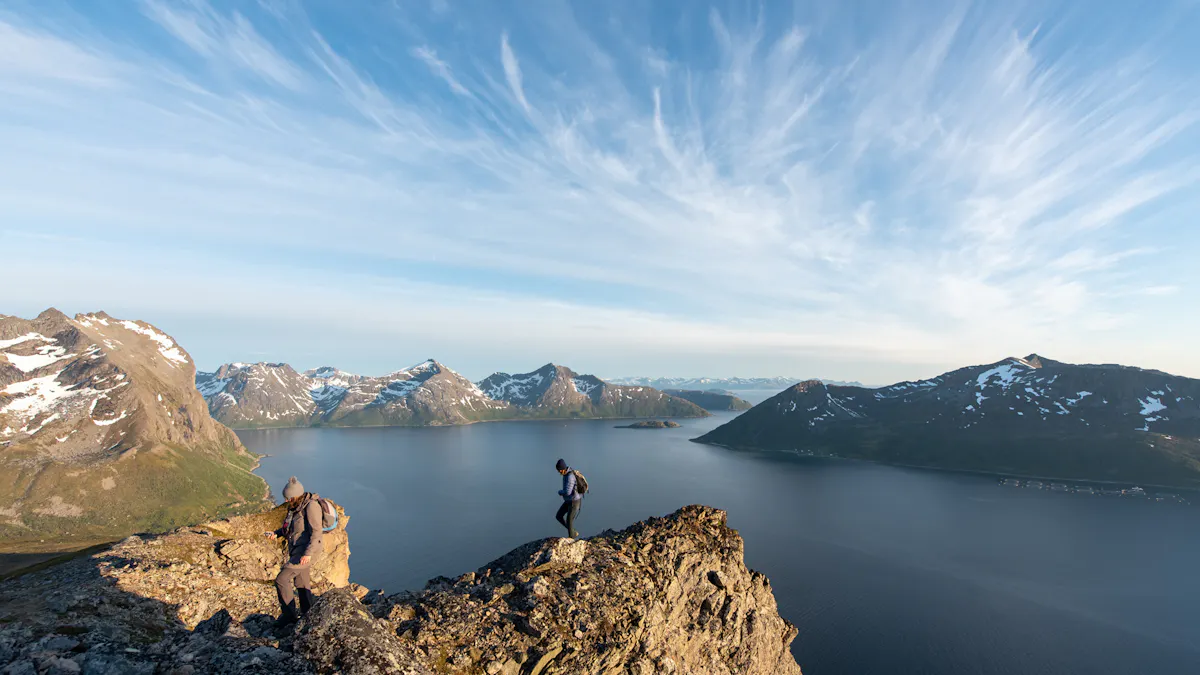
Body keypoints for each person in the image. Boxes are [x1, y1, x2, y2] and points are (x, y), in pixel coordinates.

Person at [265, 476, 323, 626]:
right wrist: (276, 533)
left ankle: (289, 617)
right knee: (301, 583)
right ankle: (308, 616)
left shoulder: (311, 507)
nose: (286, 501)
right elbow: (291, 529)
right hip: (298, 551)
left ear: (295, 496)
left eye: (288, 498)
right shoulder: (296, 508)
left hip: (305, 553)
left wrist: (308, 554)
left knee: (281, 579)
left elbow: (316, 533)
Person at [554, 458, 582, 539]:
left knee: (569, 520)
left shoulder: (569, 476)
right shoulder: (566, 474)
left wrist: (560, 492)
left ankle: (571, 537)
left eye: (559, 470)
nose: (558, 472)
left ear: (562, 469)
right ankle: (573, 531)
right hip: (569, 500)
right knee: (559, 516)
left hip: (574, 501)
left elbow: (567, 492)